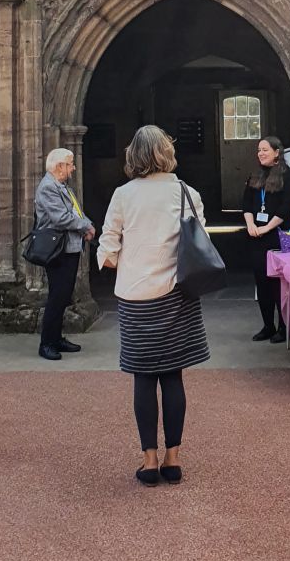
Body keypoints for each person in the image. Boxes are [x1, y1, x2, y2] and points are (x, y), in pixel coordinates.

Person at [97, 125, 210, 487]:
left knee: (143, 379)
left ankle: (148, 461)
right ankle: (173, 459)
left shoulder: (123, 195)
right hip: (176, 293)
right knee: (173, 376)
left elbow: (107, 250)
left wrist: (131, 262)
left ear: (134, 156)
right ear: (167, 153)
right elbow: (200, 241)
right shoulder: (186, 193)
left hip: (136, 296)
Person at [34, 148, 95, 361]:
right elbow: (61, 218)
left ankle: (56, 338)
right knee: (57, 296)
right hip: (58, 249)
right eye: (70, 164)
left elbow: (75, 211)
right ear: (59, 166)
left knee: (63, 295)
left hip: (68, 247)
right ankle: (47, 343)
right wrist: (86, 226)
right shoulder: (48, 188)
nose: (73, 167)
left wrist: (86, 223)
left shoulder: (62, 187)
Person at [242, 134, 290, 343]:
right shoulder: (255, 176)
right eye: (259, 150)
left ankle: (284, 326)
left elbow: (286, 207)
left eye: (265, 150)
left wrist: (267, 227)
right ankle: (268, 325)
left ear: (277, 152)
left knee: (279, 284)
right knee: (262, 282)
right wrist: (251, 225)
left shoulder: (289, 177)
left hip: (278, 235)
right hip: (257, 236)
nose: (261, 153)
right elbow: (247, 203)